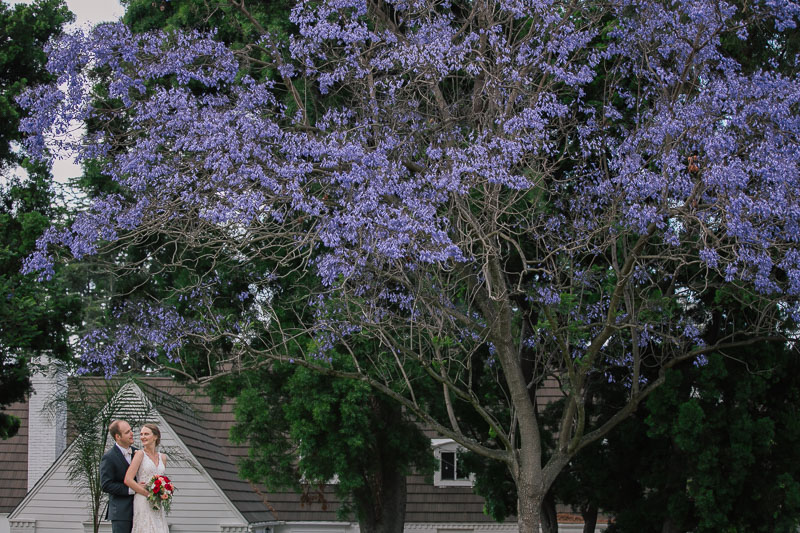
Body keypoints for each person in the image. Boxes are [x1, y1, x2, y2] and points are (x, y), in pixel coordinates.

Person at [124, 423, 170, 533]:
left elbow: (161, 480)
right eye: (141, 434)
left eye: (146, 434)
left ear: (155, 437)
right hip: (143, 500)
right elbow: (128, 479)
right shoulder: (140, 454)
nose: (143, 437)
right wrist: (148, 495)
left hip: (157, 502)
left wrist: (164, 491)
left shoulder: (162, 457)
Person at [100, 420, 137, 533]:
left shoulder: (138, 453)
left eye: (131, 430)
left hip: (140, 509)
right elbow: (106, 485)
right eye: (127, 432)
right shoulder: (109, 457)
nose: (132, 433)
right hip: (121, 513)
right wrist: (131, 489)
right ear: (118, 436)